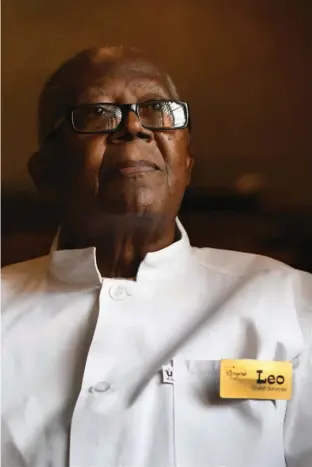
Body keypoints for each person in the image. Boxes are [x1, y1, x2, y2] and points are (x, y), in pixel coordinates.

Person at [1, 46, 311, 467]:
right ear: (46, 173)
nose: (133, 127)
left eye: (156, 109)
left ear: (186, 161)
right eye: (97, 112)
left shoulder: (290, 303)